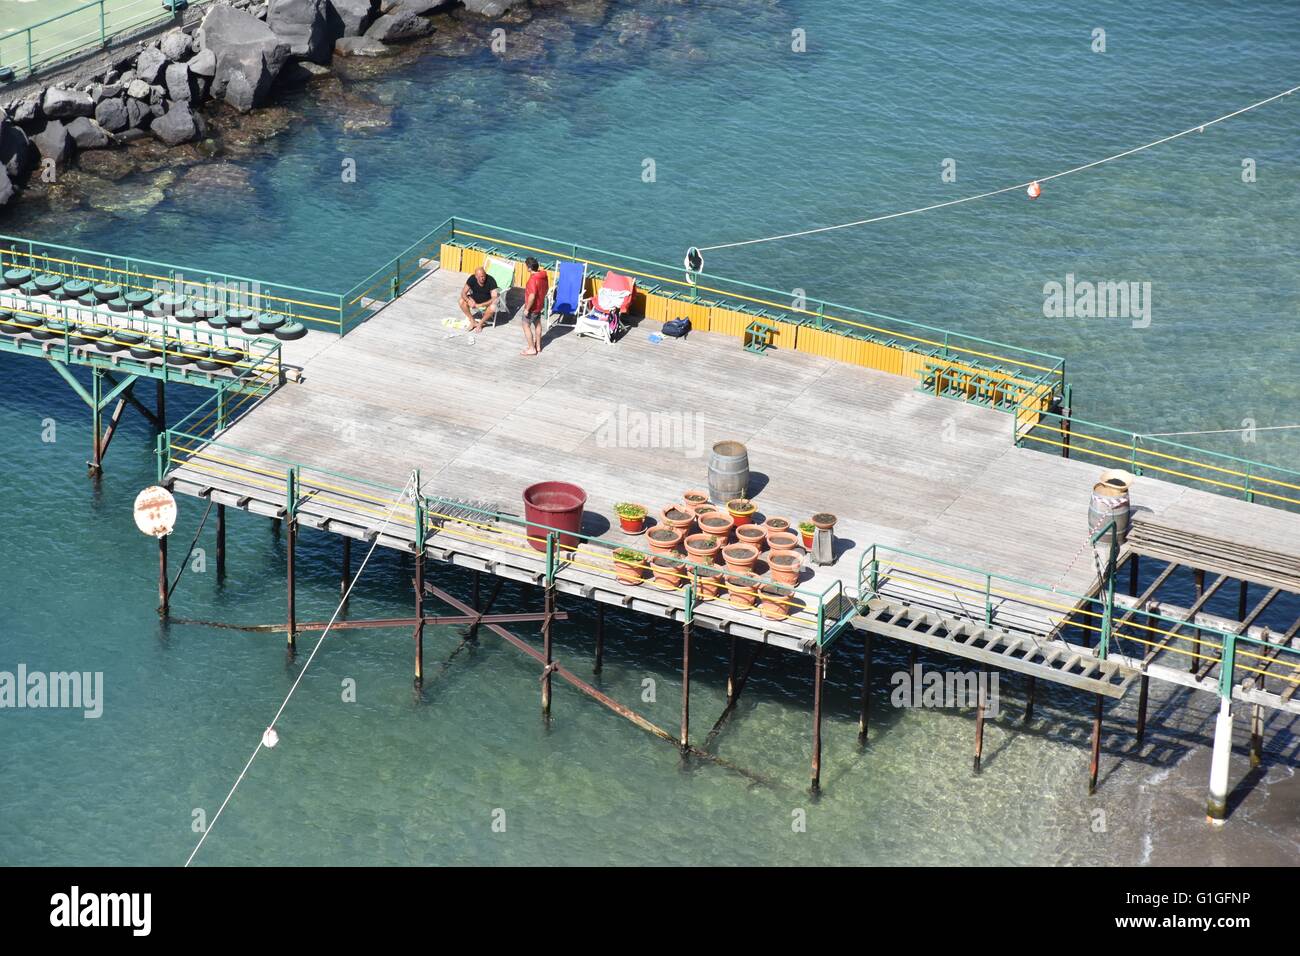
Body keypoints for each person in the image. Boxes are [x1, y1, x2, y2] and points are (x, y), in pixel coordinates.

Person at [520, 256, 549, 356]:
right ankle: (538, 346)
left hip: (532, 307)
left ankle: (532, 348)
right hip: (539, 306)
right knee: (537, 324)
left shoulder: (533, 279)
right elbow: (547, 288)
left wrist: (527, 309)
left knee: (525, 325)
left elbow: (532, 296)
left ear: (529, 268)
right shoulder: (544, 275)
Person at [459, 266, 499, 331]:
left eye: (484, 276)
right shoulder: (472, 278)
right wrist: (468, 301)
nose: (483, 278)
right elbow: (463, 292)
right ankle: (473, 321)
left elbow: (494, 297)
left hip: (486, 302)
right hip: (474, 300)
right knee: (461, 301)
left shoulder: (491, 280)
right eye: (480, 276)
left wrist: (481, 305)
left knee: (493, 307)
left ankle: (480, 324)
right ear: (476, 276)